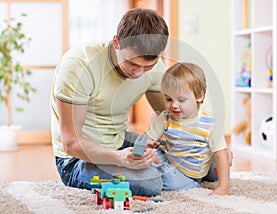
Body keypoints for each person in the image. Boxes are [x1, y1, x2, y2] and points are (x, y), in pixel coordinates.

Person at [51, 8, 169, 197]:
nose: (138, 73)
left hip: (118, 140)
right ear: (116, 42)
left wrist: (212, 145)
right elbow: (71, 143)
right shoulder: (79, 65)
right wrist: (119, 159)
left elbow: (171, 114)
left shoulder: (155, 66)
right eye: (133, 64)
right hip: (76, 159)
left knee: (206, 162)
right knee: (150, 183)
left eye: (148, 67)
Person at [146, 62, 230, 195]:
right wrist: (148, 146)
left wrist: (223, 187)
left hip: (190, 172)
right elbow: (148, 139)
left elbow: (221, 155)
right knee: (151, 153)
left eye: (181, 100)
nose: (173, 105)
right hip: (171, 160)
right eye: (168, 99)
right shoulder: (166, 117)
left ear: (199, 96)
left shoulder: (210, 125)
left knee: (168, 180)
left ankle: (192, 183)